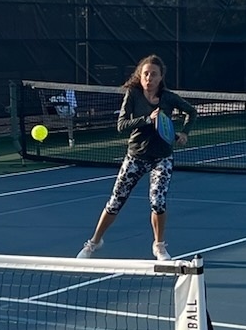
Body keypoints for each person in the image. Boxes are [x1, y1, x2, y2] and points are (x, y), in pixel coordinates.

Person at [77, 55, 197, 260]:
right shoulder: (133, 95)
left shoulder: (169, 98)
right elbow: (121, 125)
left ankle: (159, 246)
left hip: (162, 157)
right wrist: (146, 119)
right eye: (146, 74)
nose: (149, 78)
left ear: (161, 77)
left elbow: (192, 112)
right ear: (140, 76)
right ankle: (94, 242)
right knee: (115, 201)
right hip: (136, 156)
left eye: (154, 74)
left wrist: (184, 132)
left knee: (158, 200)